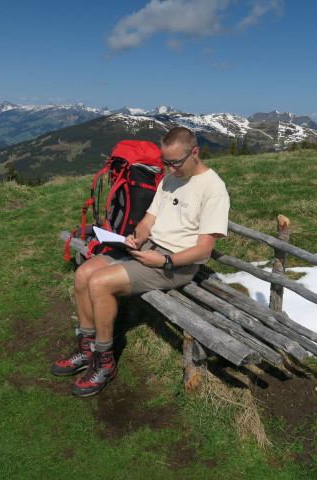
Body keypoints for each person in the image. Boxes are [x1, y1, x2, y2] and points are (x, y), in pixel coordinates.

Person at [51, 126, 230, 397]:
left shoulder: (214, 189)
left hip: (176, 264)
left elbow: (203, 250)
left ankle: (104, 359)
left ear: (195, 153)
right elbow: (149, 220)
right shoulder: (170, 180)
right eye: (165, 162)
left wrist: (165, 260)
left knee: (99, 283)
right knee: (83, 274)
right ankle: (86, 345)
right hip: (149, 249)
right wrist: (136, 237)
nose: (169, 169)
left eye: (175, 162)